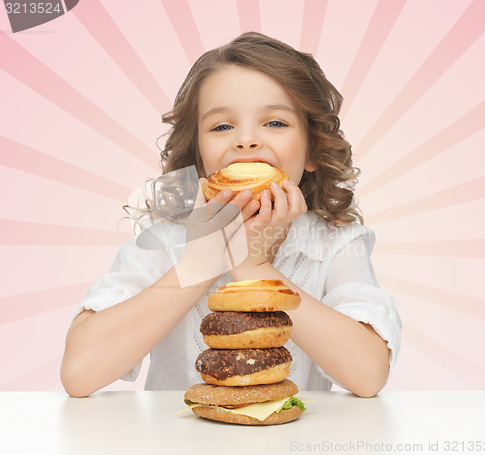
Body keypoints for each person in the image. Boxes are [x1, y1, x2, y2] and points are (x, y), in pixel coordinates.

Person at [60, 32, 401, 398]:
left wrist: (255, 269)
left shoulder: (336, 243)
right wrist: (198, 265)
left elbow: (368, 375)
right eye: (222, 126)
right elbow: (79, 373)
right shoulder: (164, 240)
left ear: (311, 152)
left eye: (275, 123)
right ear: (199, 156)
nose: (246, 140)